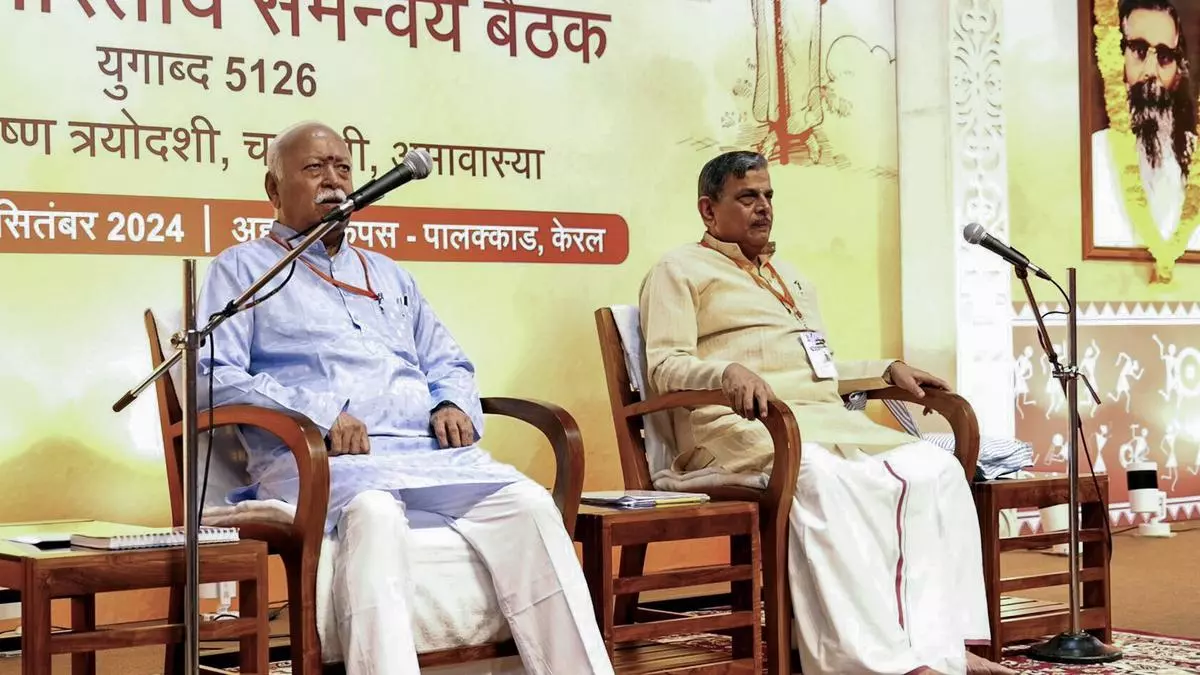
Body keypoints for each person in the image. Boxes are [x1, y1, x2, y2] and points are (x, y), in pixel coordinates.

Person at [197, 121, 613, 675]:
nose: (334, 182)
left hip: (425, 457)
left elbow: (450, 361)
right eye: (314, 168)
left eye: (343, 168)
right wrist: (319, 417)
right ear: (273, 190)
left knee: (530, 505)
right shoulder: (244, 270)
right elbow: (210, 375)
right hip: (324, 463)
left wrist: (452, 404)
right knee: (374, 512)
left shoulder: (390, 275)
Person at [638, 150, 1014, 675]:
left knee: (938, 470)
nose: (763, 207)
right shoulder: (677, 270)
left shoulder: (789, 276)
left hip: (822, 421)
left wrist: (887, 369)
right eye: (747, 196)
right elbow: (665, 363)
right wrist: (724, 373)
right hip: (743, 428)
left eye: (768, 196)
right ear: (708, 209)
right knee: (826, 481)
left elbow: (823, 367)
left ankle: (945, 647)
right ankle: (869, 660)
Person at [1092, 0, 1200, 249]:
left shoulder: (1195, 159)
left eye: (1164, 56)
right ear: (1117, 57)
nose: (1151, 71)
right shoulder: (1091, 156)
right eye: (1139, 51)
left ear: (1178, 71)